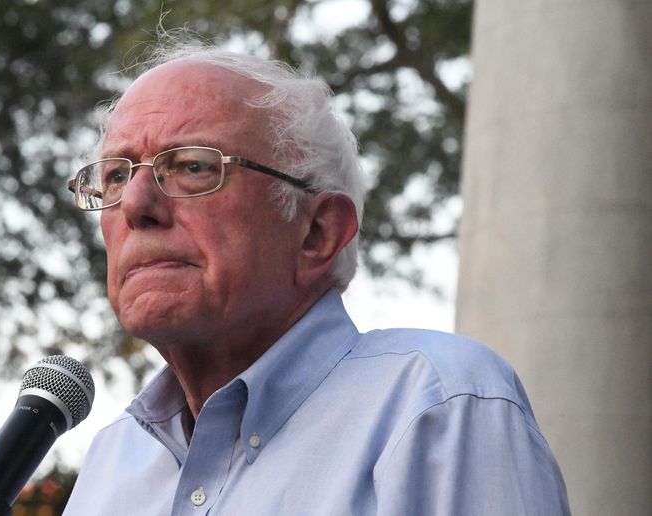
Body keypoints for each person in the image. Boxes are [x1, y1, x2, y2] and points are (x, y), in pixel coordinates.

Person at [62, 41, 570, 515]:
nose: (134, 204)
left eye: (193, 166)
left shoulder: (439, 405)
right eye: (114, 175)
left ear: (317, 232)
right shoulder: (112, 462)